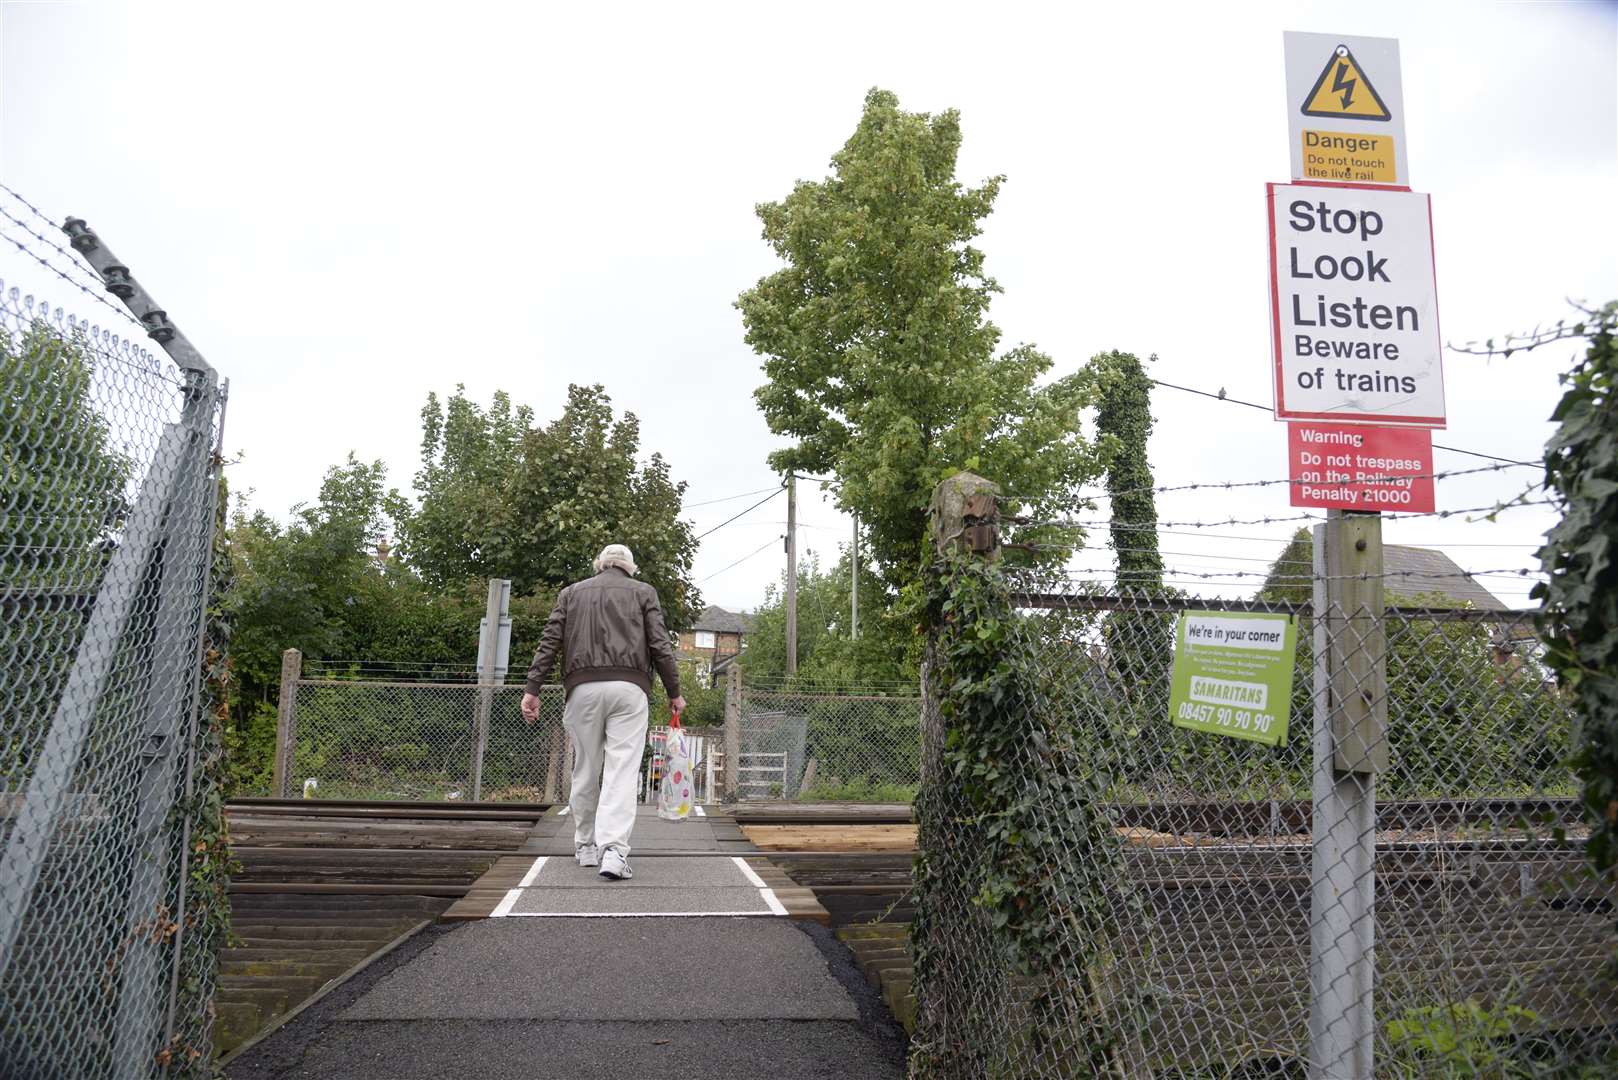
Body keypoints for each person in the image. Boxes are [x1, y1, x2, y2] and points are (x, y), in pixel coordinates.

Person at [521, 544, 684, 881]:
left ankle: (584, 846)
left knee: (586, 767)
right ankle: (613, 852)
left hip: (582, 689)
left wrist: (532, 689)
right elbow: (659, 645)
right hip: (630, 688)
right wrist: (674, 692)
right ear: (630, 567)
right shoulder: (644, 593)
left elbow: (549, 642)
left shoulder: (570, 594)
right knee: (621, 771)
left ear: (599, 565)